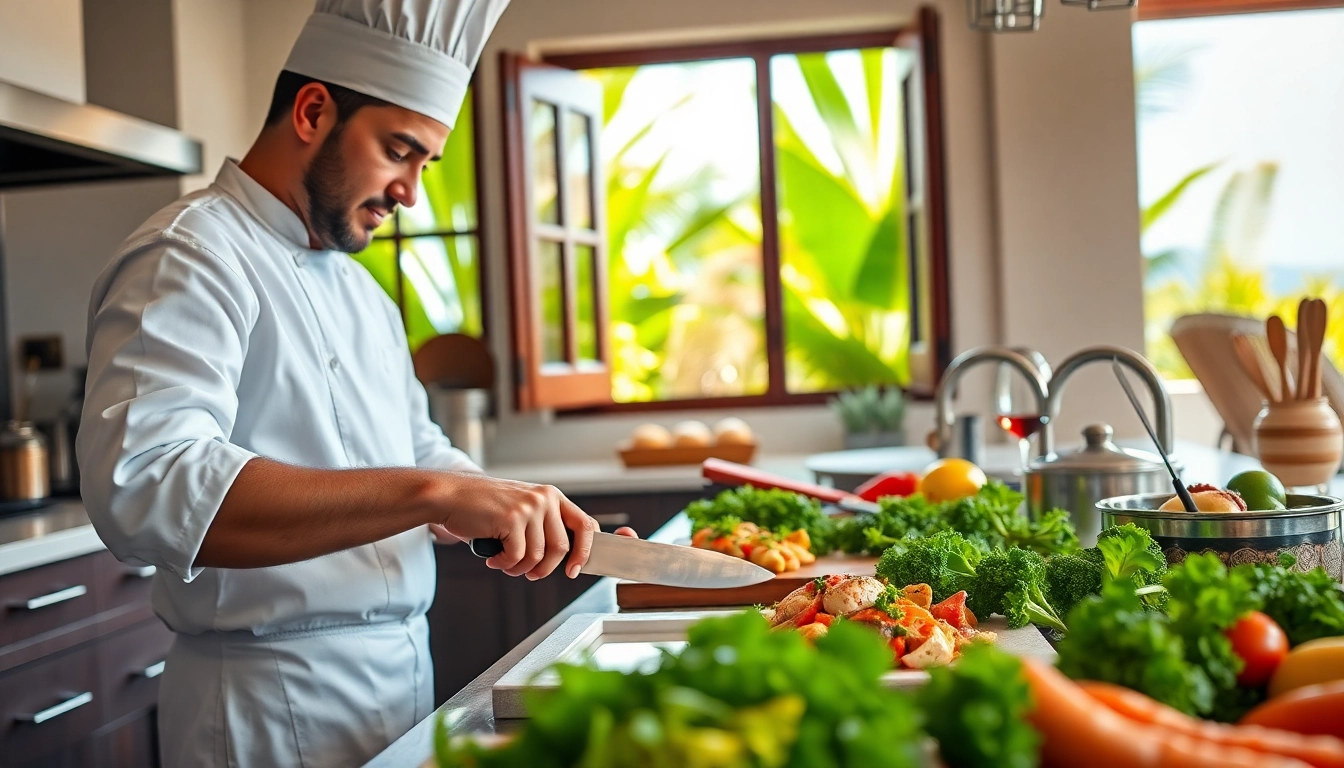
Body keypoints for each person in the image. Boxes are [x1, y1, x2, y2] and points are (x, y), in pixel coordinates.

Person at [76, 1, 632, 765]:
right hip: (258, 710)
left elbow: (418, 450)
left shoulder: (365, 295)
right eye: (399, 151)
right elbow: (149, 483)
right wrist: (432, 497)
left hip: (402, 681)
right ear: (312, 111)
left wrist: (509, 507)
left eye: (425, 164)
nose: (411, 192)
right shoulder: (189, 255)